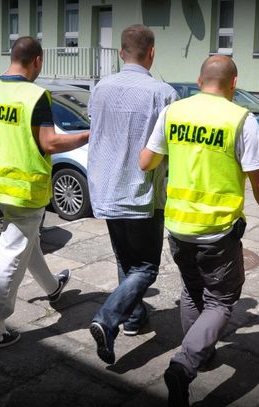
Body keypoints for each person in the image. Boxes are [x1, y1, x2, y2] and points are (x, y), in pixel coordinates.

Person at [139, 55, 259, 406]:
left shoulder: (174, 113)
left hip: (179, 226)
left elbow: (146, 161)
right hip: (217, 231)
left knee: (191, 289)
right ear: (234, 83)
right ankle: (185, 364)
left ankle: (201, 353)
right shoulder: (240, 119)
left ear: (200, 80)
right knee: (221, 299)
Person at [0, 36, 89, 349]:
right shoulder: (35, 96)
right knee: (11, 256)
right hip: (26, 191)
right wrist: (90, 134)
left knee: (25, 241)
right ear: (37, 61)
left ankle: (52, 287)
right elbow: (49, 143)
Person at [86, 24, 179, 364]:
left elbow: (97, 129)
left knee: (126, 261)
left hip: (107, 188)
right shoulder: (164, 93)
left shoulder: (99, 88)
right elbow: (169, 148)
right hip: (142, 193)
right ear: (151, 53)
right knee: (146, 267)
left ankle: (134, 320)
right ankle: (107, 319)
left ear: (122, 52)